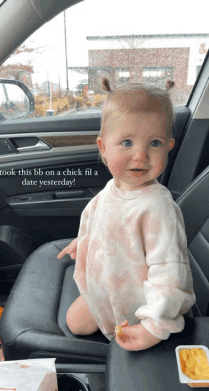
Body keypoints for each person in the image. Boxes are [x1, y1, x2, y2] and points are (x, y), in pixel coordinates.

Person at [57, 77, 196, 351]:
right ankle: (100, 305)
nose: (141, 155)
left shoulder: (158, 207)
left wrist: (154, 326)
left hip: (137, 299)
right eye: (127, 142)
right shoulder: (112, 189)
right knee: (74, 323)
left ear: (169, 147)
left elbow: (169, 273)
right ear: (103, 148)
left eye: (154, 143)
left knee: (83, 326)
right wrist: (83, 242)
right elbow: (97, 222)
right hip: (108, 282)